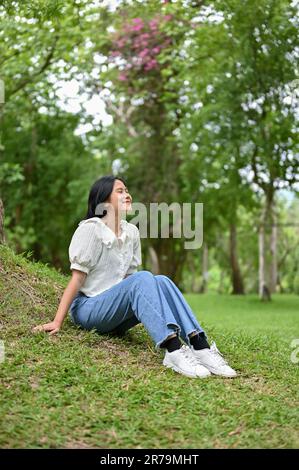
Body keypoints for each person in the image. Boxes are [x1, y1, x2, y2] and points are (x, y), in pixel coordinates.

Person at [33, 175, 237, 379]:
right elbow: (77, 279)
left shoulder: (131, 232)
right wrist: (57, 321)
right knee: (143, 278)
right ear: (104, 201)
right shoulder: (91, 229)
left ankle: (199, 346)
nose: (127, 195)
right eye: (120, 191)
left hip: (115, 313)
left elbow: (130, 282)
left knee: (161, 281)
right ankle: (172, 350)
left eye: (127, 190)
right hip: (89, 309)